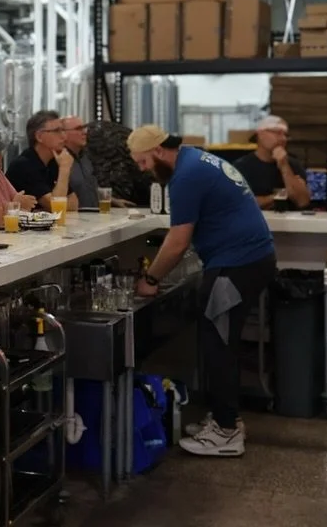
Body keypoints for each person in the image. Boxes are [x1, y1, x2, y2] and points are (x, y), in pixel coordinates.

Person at [128, 125, 276, 458]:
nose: (143, 171)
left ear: (157, 152)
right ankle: (226, 419)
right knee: (219, 341)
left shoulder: (185, 177)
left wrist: (150, 279)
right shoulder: (196, 159)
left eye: (142, 162)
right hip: (249, 259)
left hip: (236, 265)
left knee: (218, 346)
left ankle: (226, 433)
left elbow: (177, 242)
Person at [231, 115, 310, 209]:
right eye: (277, 133)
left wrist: (284, 166)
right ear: (260, 134)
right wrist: (280, 196)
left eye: (285, 135)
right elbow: (239, 203)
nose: (283, 138)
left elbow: (303, 202)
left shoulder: (293, 164)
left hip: (290, 222)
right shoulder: (241, 166)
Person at [6, 110, 75, 209]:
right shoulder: (23, 165)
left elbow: (74, 203)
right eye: (57, 131)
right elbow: (56, 207)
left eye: (63, 130)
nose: (64, 136)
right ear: (39, 136)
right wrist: (64, 169)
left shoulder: (52, 162)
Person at [60, 116, 100, 211]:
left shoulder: (86, 157)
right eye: (78, 129)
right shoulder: (59, 161)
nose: (84, 132)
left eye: (84, 128)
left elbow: (88, 187)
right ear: (63, 134)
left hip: (95, 217)